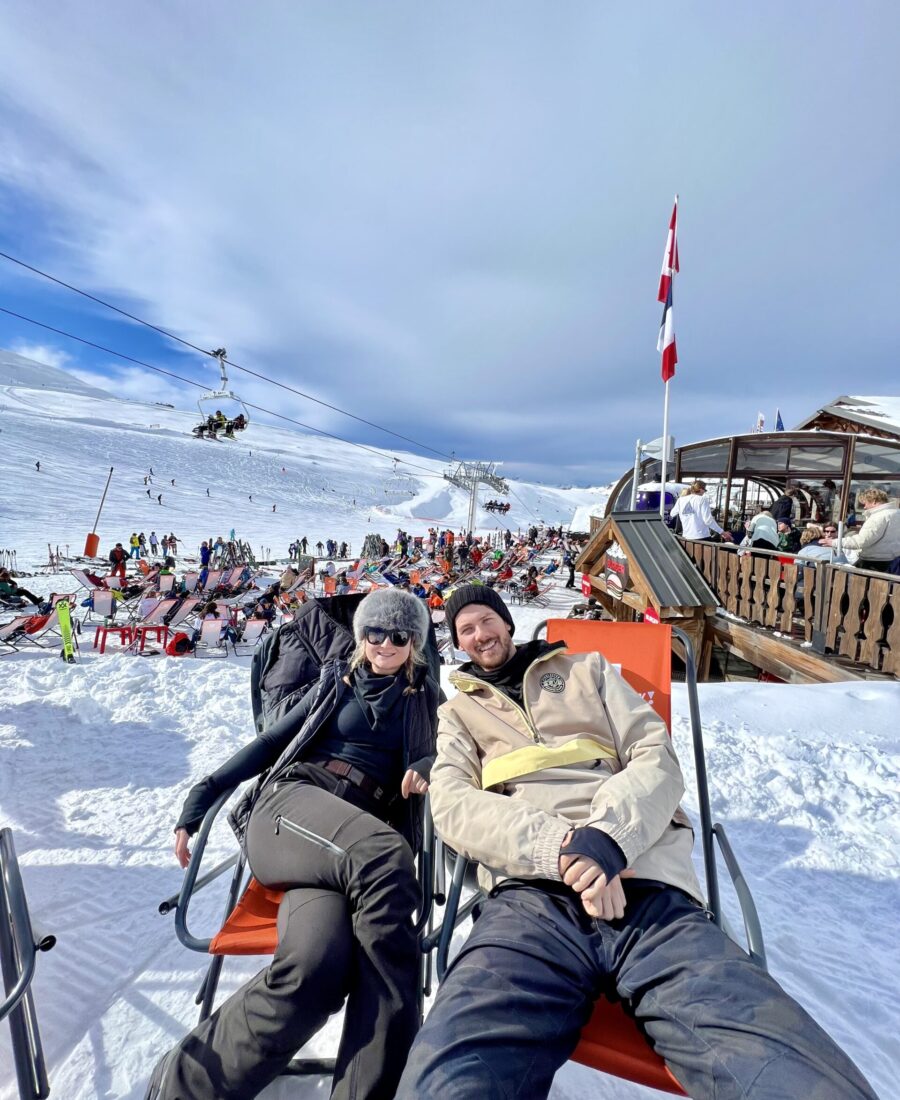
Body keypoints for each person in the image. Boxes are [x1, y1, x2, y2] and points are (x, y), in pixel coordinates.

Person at [395, 585, 877, 1100]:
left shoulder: (589, 670)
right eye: (465, 629)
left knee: (789, 1070)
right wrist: (563, 848)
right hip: (531, 900)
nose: (479, 635)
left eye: (486, 620)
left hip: (644, 886)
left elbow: (655, 757)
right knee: (448, 1076)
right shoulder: (460, 712)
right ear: (458, 643)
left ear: (508, 623)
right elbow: (452, 802)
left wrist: (607, 838)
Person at [146, 589, 439, 1100]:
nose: (384, 644)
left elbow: (458, 759)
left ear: (415, 641)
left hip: (346, 853)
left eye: (398, 634)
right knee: (389, 855)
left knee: (318, 966)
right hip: (292, 809)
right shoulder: (335, 683)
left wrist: (429, 764)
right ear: (361, 636)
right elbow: (269, 743)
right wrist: (206, 792)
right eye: (373, 631)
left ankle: (181, 1086)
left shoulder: (427, 701)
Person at [820, 488, 900, 572]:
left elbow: (862, 541)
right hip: (894, 560)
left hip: (874, 563)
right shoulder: (897, 513)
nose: (864, 507)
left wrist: (834, 542)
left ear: (874, 501)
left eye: (865, 503)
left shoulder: (878, 517)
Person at [667, 481, 732, 542]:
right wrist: (722, 532)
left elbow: (672, 513)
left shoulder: (681, 500)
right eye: (705, 490)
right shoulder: (702, 500)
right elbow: (708, 520)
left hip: (686, 537)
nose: (704, 492)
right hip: (701, 537)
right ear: (701, 489)